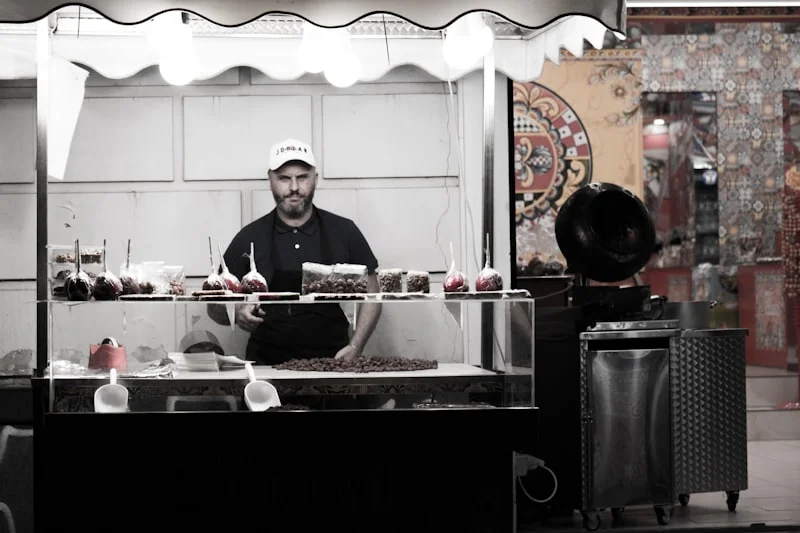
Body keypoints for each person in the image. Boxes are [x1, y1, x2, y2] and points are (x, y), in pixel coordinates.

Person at [208, 138, 381, 365]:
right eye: (284, 178)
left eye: (302, 177)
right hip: (267, 365)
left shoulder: (344, 231)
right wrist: (237, 312)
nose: (294, 188)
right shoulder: (250, 237)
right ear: (270, 180)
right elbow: (213, 305)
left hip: (332, 362)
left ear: (315, 178)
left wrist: (355, 347)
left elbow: (373, 295)